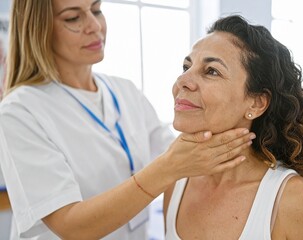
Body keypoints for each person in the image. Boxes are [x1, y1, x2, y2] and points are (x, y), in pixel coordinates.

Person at [0, 1, 256, 239]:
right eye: (73, 18)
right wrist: (169, 168)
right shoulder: (20, 111)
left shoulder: (125, 91)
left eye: (96, 10)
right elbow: (70, 225)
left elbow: (184, 160)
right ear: (39, 30)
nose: (94, 26)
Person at [164, 15, 303, 240]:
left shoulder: (296, 200)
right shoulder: (176, 183)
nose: (183, 79)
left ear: (256, 103)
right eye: (186, 66)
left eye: (211, 71)